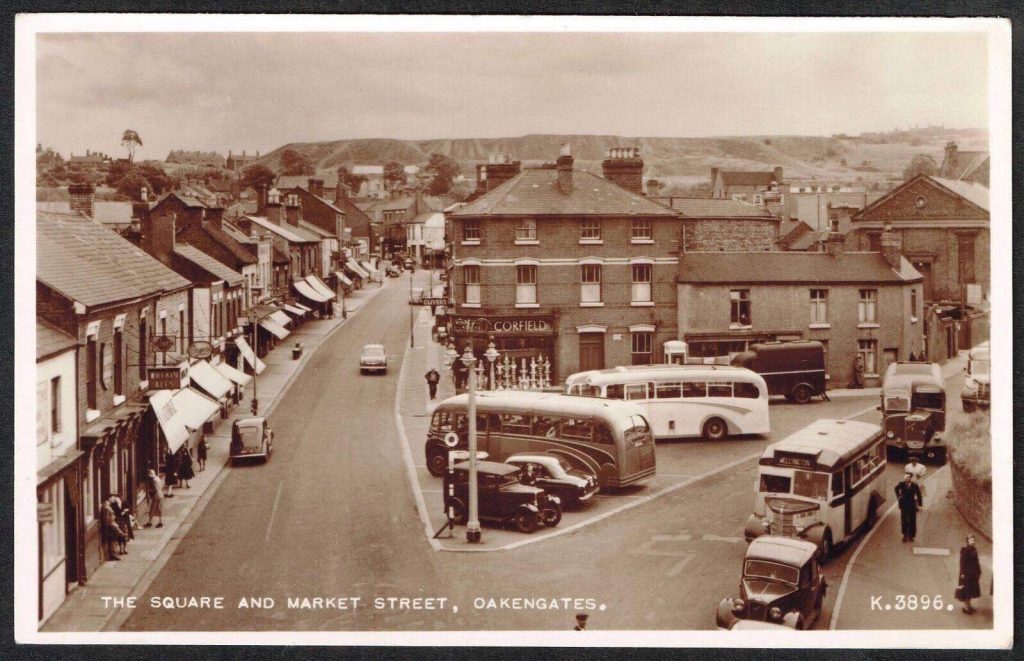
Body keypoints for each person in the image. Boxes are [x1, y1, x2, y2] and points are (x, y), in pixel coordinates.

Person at [894, 472, 923, 543]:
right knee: (904, 520)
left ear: (911, 478)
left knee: (912, 520)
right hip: (904, 505)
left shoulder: (914, 485)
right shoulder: (901, 484)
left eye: (908, 477)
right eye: (905, 477)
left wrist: (920, 505)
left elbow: (919, 495)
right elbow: (896, 489)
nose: (906, 479)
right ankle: (905, 535)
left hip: (912, 505)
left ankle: (911, 536)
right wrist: (899, 496)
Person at [958, 535, 982, 614]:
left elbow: (976, 562)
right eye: (971, 540)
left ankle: (969, 605)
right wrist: (962, 573)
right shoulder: (964, 550)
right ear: (967, 541)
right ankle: (966, 607)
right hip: (966, 574)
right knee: (966, 591)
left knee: (971, 590)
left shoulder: (974, 549)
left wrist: (979, 571)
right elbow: (962, 563)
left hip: (973, 573)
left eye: (973, 540)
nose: (973, 541)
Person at [100, 495, 126, 560]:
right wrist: (107, 527)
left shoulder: (108, 505)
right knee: (121, 535)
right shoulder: (106, 507)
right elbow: (105, 519)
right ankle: (113, 554)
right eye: (112, 497)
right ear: (109, 498)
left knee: (112, 539)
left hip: (112, 524)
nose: (114, 498)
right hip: (110, 525)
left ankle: (113, 554)